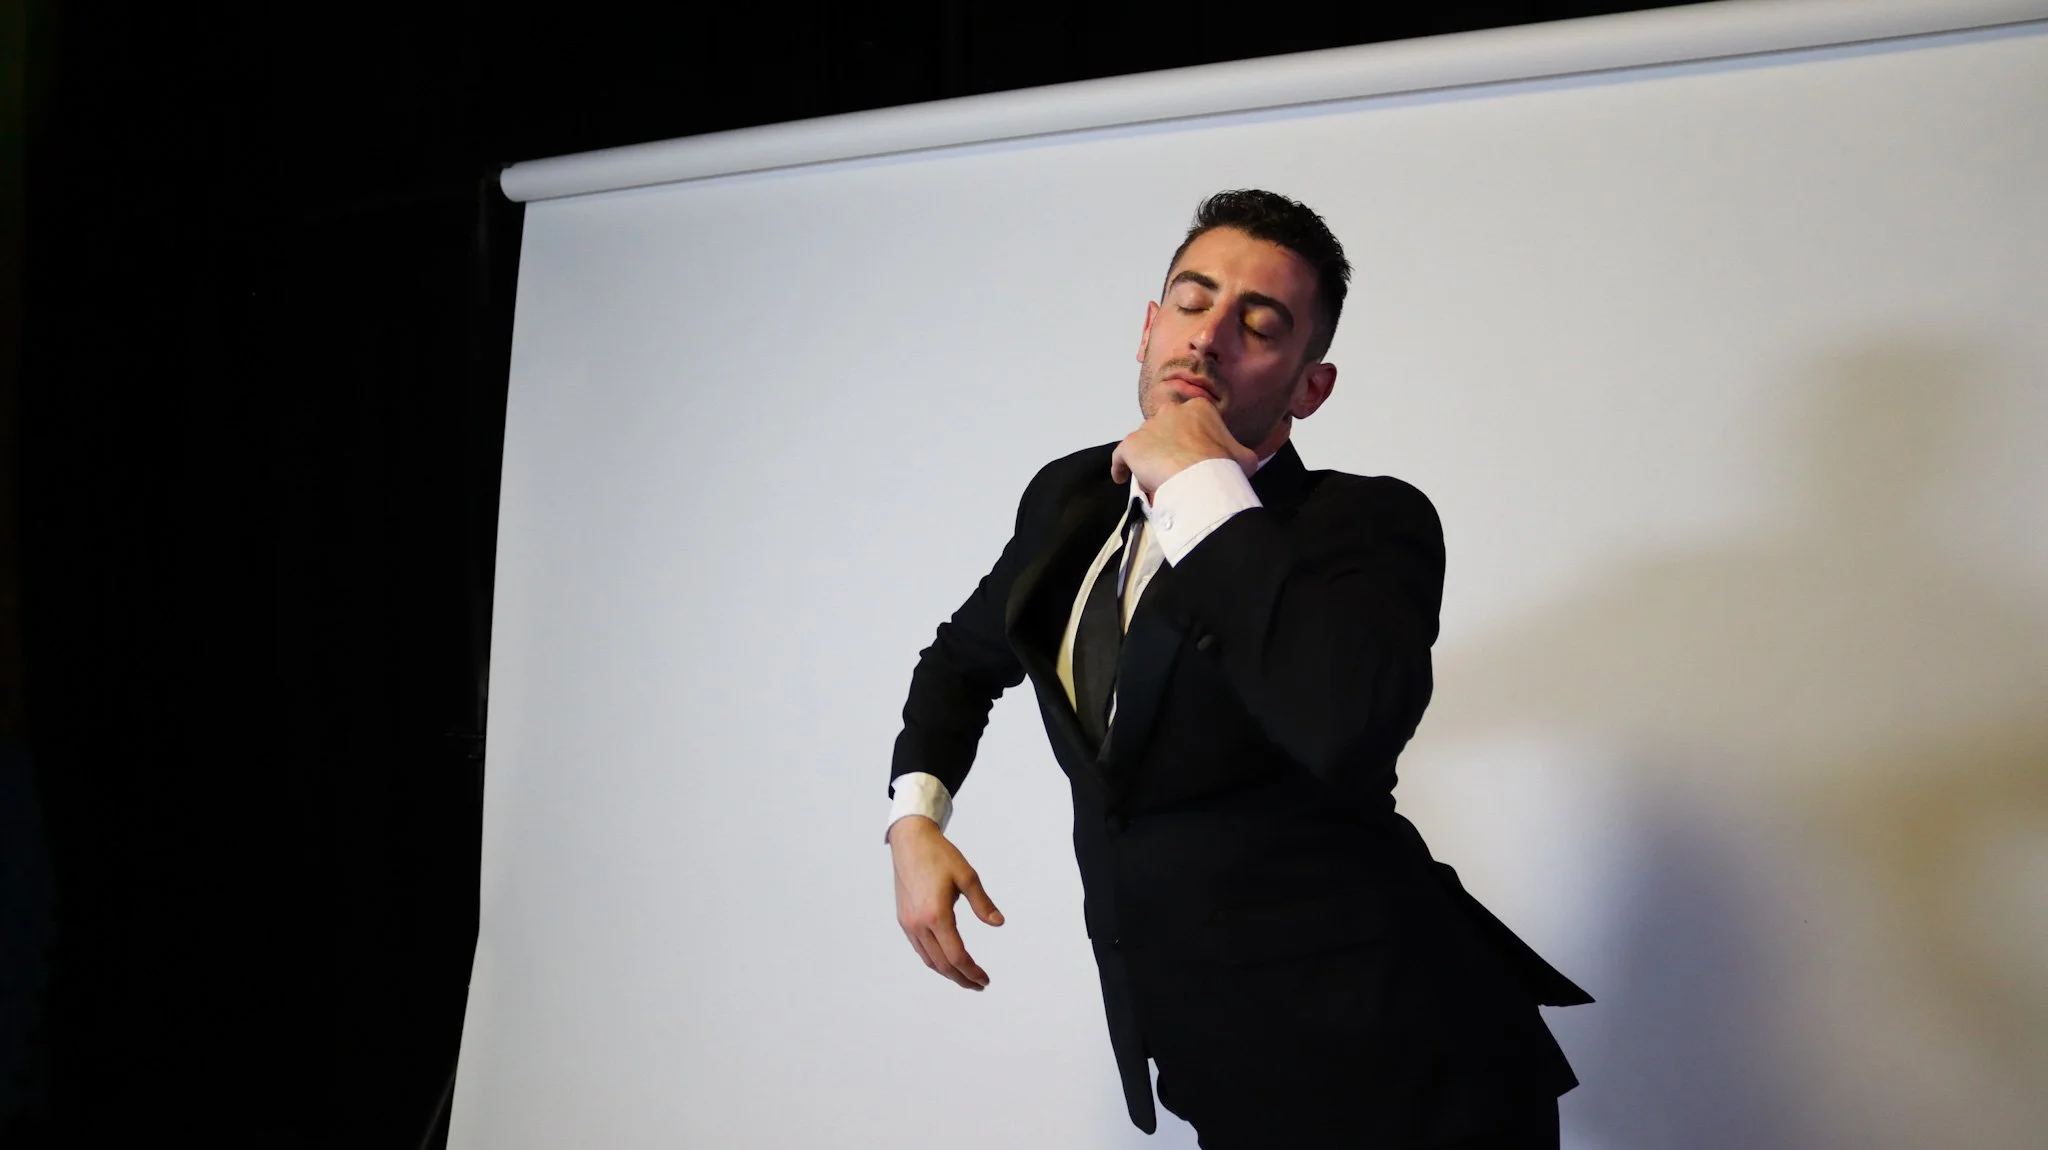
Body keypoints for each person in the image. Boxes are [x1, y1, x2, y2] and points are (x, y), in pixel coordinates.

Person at [884, 189, 1590, 1149]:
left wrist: (1200, 481)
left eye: (1258, 325)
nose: (1208, 339)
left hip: (1411, 1062)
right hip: (1219, 1061)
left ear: (1310, 387)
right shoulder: (1070, 502)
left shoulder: (1368, 525)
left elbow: (1348, 727)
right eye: (1190, 300)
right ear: (1146, 327)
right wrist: (915, 820)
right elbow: (963, 659)